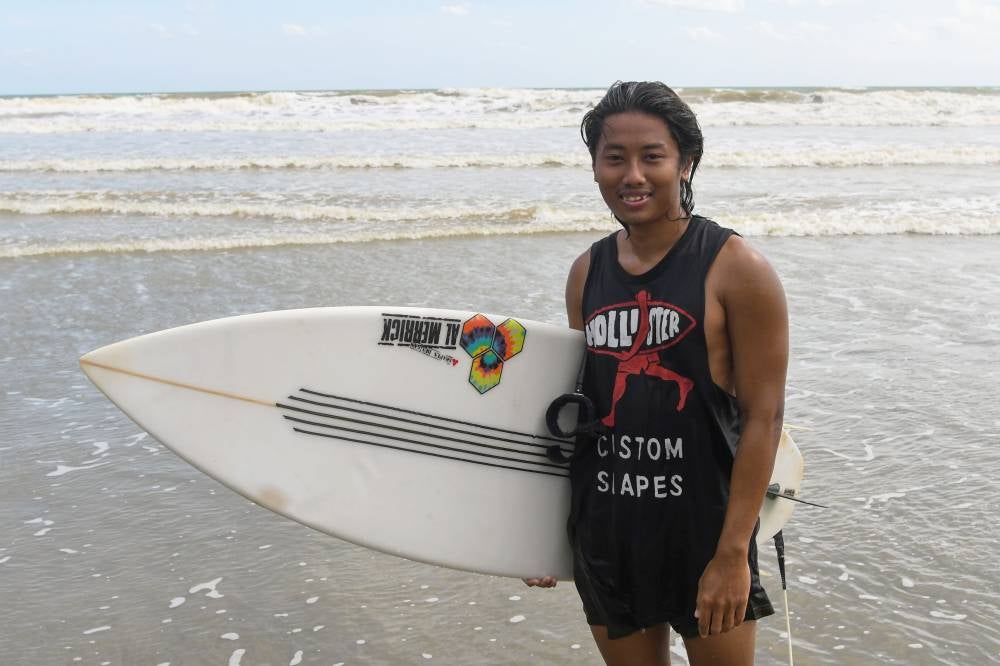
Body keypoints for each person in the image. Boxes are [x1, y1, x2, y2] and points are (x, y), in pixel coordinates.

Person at [525, 81, 789, 666]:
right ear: (594, 166)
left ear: (685, 162)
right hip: (608, 528)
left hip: (703, 531)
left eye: (652, 156)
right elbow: (577, 413)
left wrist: (731, 554)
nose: (632, 175)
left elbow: (764, 419)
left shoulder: (736, 267)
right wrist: (536, 542)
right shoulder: (586, 271)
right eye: (614, 158)